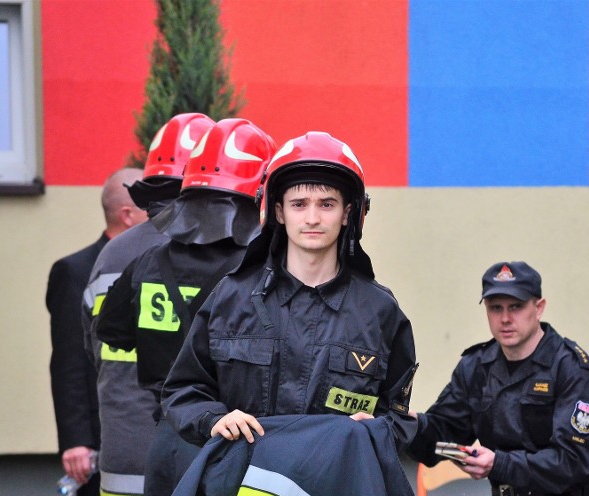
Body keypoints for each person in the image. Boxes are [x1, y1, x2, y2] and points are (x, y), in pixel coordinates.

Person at [160, 131, 419, 453]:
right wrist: (214, 419)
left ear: (348, 214)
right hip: (242, 487)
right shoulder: (231, 298)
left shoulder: (380, 312)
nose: (312, 218)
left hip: (334, 493)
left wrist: (378, 430)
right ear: (278, 212)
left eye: (327, 204)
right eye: (299, 204)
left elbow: (398, 417)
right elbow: (184, 390)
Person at [95, 117, 276, 496]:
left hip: (169, 441)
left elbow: (111, 331)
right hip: (235, 444)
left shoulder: (148, 261)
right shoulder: (255, 271)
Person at [404, 261, 589, 496]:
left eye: (516, 307)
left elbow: (573, 461)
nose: (505, 318)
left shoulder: (572, 369)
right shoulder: (478, 365)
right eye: (495, 308)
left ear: (539, 307)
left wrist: (500, 464)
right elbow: (442, 433)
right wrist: (405, 424)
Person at [81, 113, 215, 496]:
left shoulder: (116, 252)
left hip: (125, 458)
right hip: (197, 454)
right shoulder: (232, 255)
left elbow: (95, 346)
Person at [46, 167, 146, 496]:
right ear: (126, 215)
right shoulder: (76, 271)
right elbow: (70, 360)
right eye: (150, 208)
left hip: (136, 431)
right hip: (98, 439)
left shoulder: (157, 265)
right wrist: (75, 440)